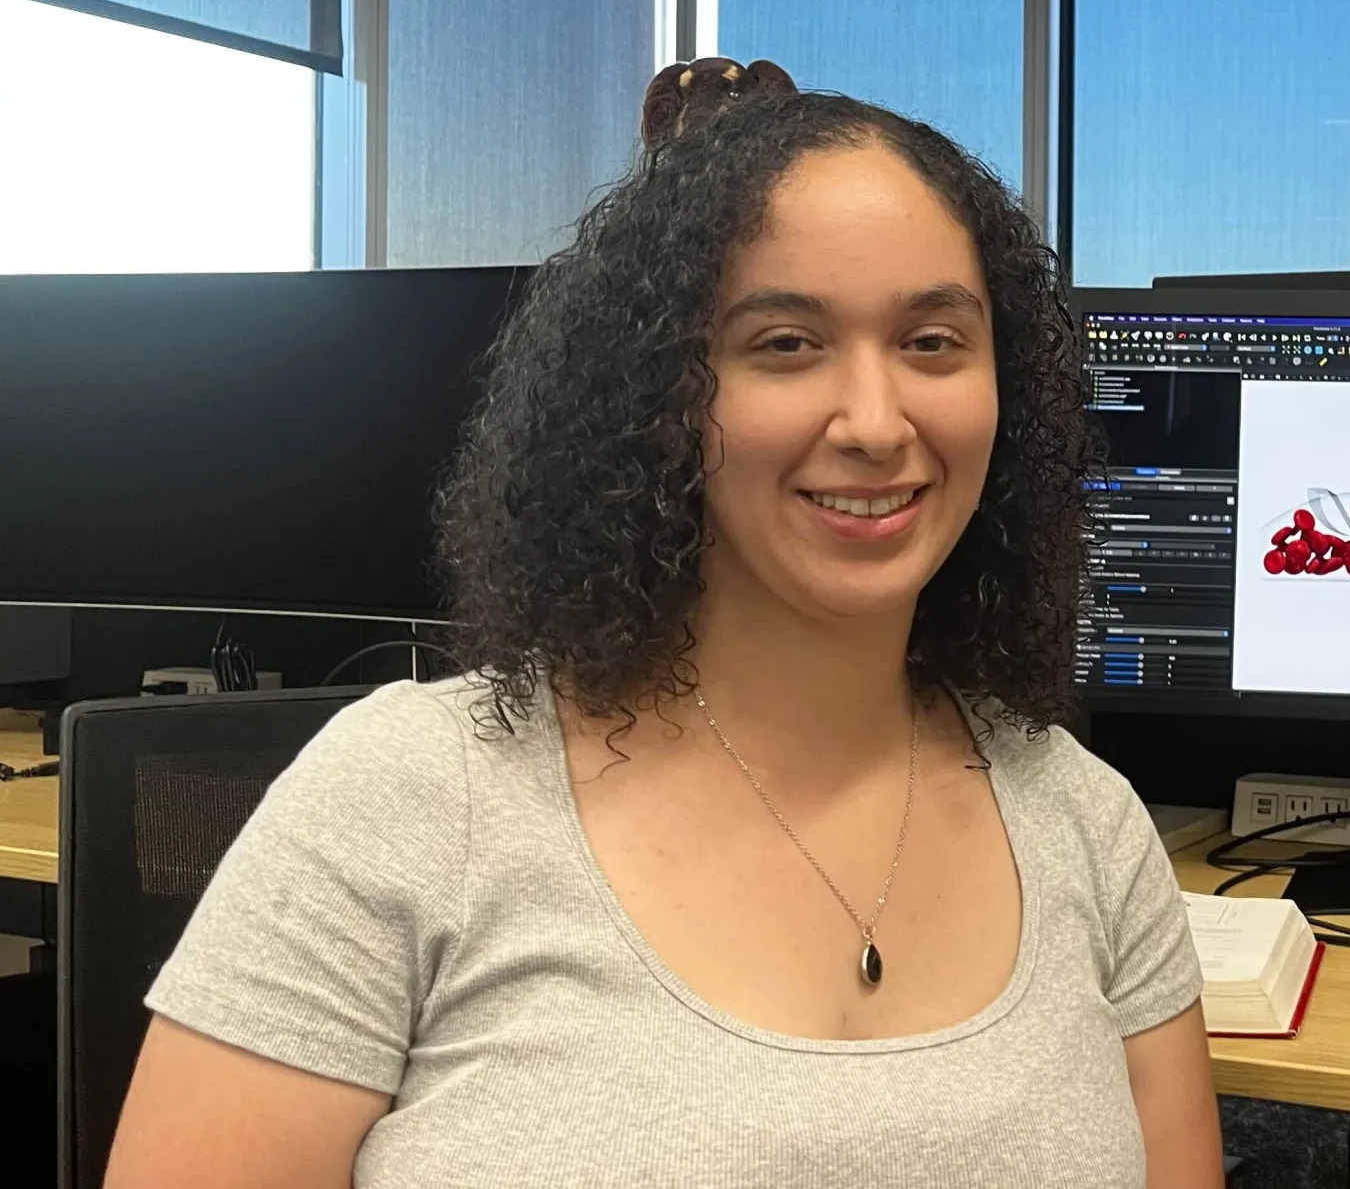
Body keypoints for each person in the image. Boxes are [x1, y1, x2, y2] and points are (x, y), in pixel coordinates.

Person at [104, 60, 1222, 1188]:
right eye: (785, 343)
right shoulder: (410, 797)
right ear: (657, 399)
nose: (878, 423)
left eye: (933, 342)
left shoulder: (1085, 824)